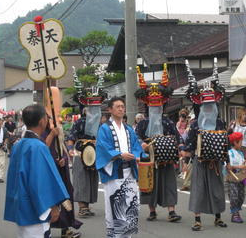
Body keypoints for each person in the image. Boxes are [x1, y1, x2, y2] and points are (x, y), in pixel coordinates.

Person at [4, 104, 69, 238]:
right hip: (35, 208)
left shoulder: (18, 145)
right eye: (46, 117)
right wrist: (53, 206)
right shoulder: (38, 147)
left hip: (22, 203)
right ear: (42, 121)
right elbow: (42, 181)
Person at [183, 58, 228, 231]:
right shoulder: (195, 125)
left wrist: (227, 159)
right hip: (200, 161)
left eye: (211, 105)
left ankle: (218, 217)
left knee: (217, 190)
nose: (209, 108)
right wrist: (187, 157)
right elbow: (189, 143)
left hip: (216, 161)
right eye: (206, 106)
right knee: (198, 189)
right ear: (201, 107)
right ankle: (197, 219)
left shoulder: (220, 123)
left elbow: (225, 142)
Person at [135, 64, 182, 222]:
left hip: (167, 158)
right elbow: (135, 139)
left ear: (162, 105)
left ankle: (171, 211)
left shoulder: (168, 122)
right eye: (153, 106)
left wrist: (179, 147)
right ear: (148, 105)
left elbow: (177, 138)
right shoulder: (142, 123)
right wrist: (142, 144)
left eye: (158, 106)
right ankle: (152, 210)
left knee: (169, 182)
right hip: (149, 157)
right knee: (150, 183)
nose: (156, 108)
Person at [96, 97, 143, 237]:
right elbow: (103, 148)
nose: (121, 109)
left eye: (123, 106)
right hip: (114, 172)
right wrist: (120, 155)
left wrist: (136, 154)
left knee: (133, 205)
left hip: (129, 172)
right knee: (115, 206)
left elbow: (136, 146)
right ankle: (115, 235)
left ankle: (127, 235)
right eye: (117, 106)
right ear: (110, 109)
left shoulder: (129, 129)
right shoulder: (104, 128)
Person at [66, 67, 106, 218]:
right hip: (80, 151)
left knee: (92, 178)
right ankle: (82, 207)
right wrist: (70, 149)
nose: (93, 111)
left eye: (96, 108)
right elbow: (71, 137)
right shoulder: (79, 122)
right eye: (91, 108)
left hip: (95, 152)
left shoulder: (101, 125)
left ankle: (87, 205)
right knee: (80, 178)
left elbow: (104, 140)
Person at [41, 118, 82, 238]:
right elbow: (42, 149)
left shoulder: (58, 132)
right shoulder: (42, 133)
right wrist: (51, 134)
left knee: (65, 197)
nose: (53, 123)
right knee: (49, 200)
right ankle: (45, 230)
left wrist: (63, 158)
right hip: (48, 171)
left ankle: (66, 228)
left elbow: (62, 147)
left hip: (61, 171)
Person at [227, 132, 246, 223]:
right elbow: (229, 166)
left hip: (241, 177)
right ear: (235, 142)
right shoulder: (229, 153)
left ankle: (236, 212)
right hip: (233, 177)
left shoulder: (240, 153)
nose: (242, 143)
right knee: (234, 195)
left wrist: (245, 165)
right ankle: (235, 213)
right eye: (240, 142)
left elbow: (243, 163)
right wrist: (239, 167)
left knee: (241, 196)